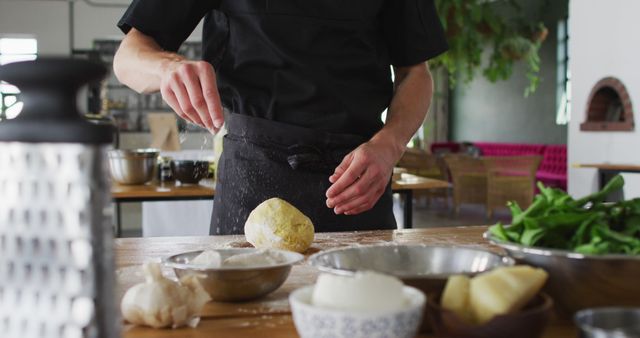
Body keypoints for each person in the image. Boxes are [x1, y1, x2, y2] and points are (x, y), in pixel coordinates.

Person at [114, 0, 448, 235]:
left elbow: (416, 72)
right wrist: (167, 68)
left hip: (358, 180)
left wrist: (390, 145)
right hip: (253, 177)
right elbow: (128, 56)